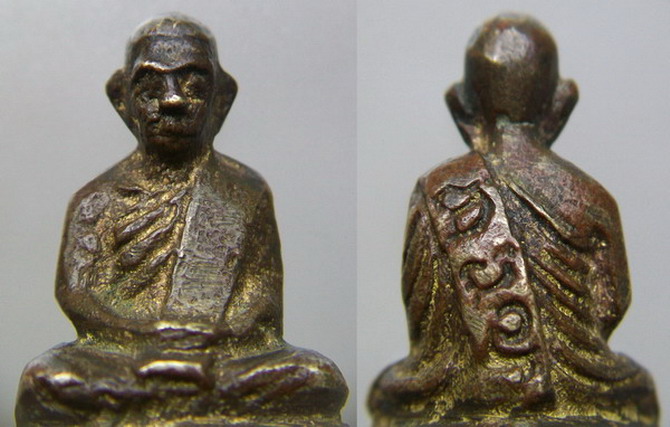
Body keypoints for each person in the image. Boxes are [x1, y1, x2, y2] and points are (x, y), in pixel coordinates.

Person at [16, 14, 347, 426]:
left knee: (316, 377)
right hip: (125, 360)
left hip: (221, 358)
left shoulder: (244, 191)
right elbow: (77, 295)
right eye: (152, 87)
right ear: (122, 99)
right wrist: (145, 334)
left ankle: (174, 397)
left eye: (193, 85)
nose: (173, 100)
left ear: (221, 97)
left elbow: (262, 299)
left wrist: (214, 335)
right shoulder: (96, 200)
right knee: (46, 380)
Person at [369, 14, 658, 426]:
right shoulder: (594, 200)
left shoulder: (437, 188)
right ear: (562, 103)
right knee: (637, 389)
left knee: (388, 392)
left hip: (471, 393)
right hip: (579, 385)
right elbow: (610, 306)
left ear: (459, 105)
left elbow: (420, 317)